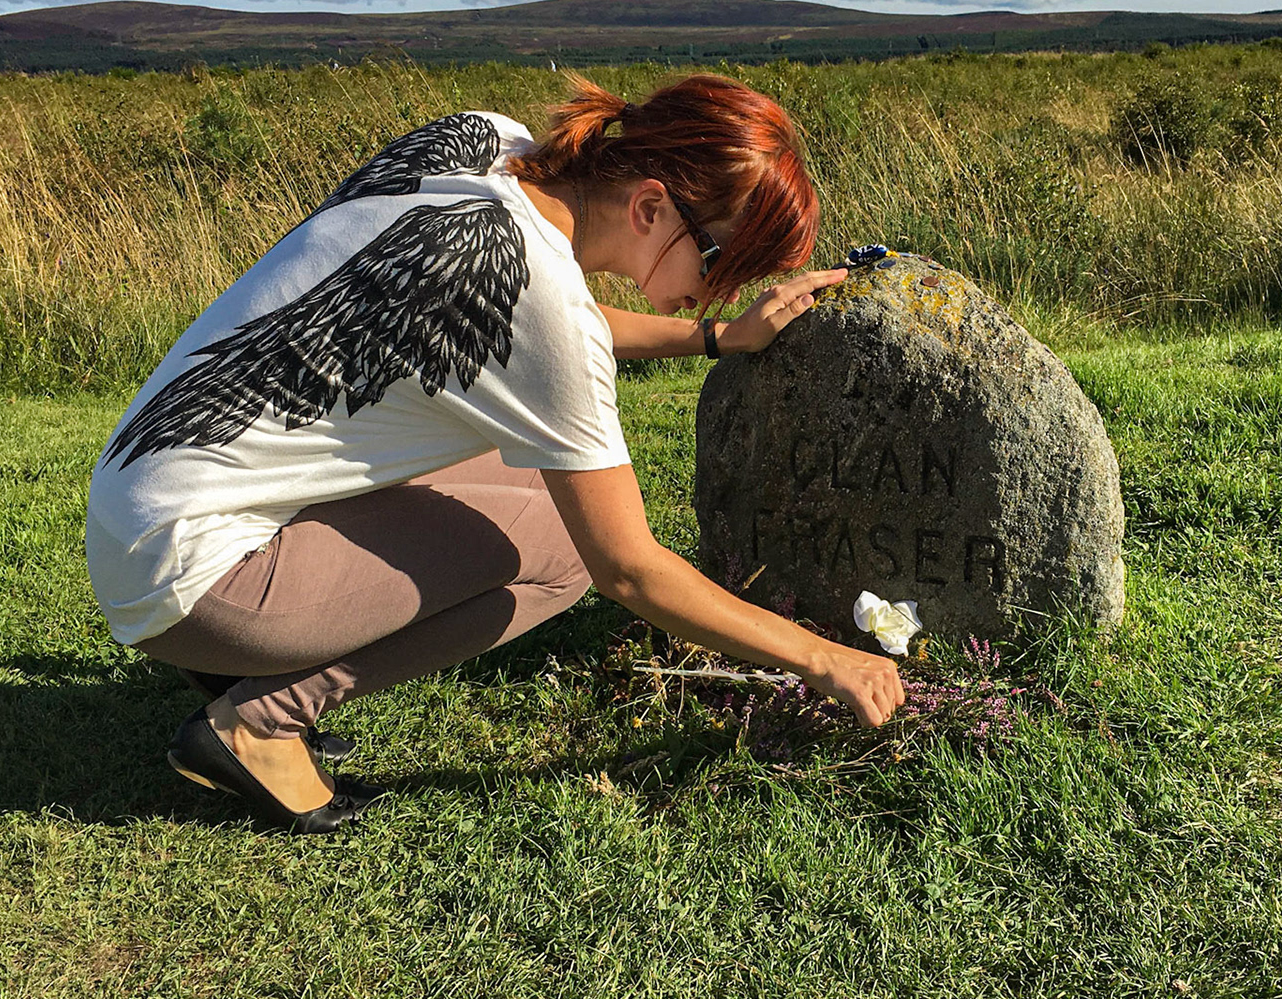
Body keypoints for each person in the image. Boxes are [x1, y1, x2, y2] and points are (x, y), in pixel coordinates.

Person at [85, 73, 905, 833]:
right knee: (564, 555)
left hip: (140, 512)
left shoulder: (480, 144)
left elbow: (520, 311)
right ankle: (260, 723)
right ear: (651, 206)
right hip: (197, 583)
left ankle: (237, 678)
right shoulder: (542, 301)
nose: (721, 287)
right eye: (722, 259)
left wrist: (718, 337)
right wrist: (825, 659)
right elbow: (631, 572)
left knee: (518, 487)